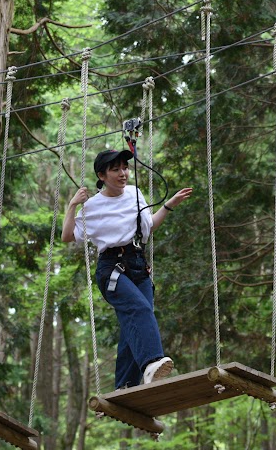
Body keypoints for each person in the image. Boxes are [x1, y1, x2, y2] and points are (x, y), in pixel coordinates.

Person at [62, 148, 193, 389]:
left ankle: (124, 386)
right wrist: (72, 206)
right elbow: (68, 236)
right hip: (112, 267)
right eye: (116, 170)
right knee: (139, 309)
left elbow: (148, 227)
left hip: (138, 264)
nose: (123, 174)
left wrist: (169, 205)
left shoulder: (135, 193)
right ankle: (152, 362)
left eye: (125, 168)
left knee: (133, 326)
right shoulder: (92, 206)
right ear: (102, 176)